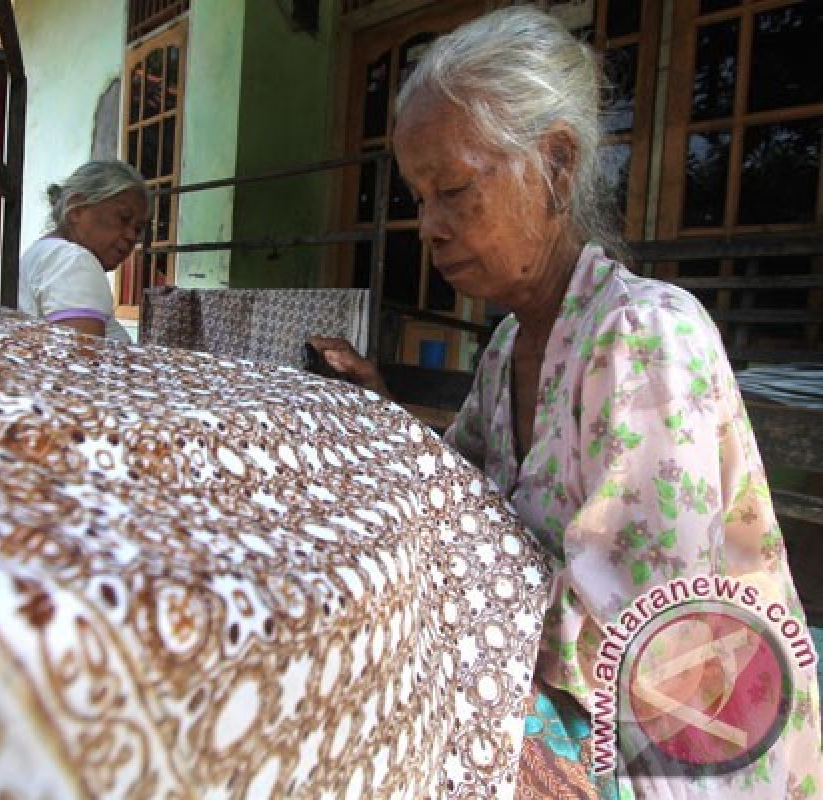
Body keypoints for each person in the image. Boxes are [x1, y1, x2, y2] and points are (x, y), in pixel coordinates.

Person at [310, 7, 820, 799]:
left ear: (554, 163)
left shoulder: (646, 337)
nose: (429, 229)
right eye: (419, 198)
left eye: (452, 190)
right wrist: (384, 416)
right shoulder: (513, 345)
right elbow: (467, 505)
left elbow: (642, 643)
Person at [18, 160, 149, 342]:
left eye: (137, 229)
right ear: (76, 210)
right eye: (123, 218)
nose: (131, 236)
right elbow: (81, 364)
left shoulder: (41, 252)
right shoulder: (73, 261)